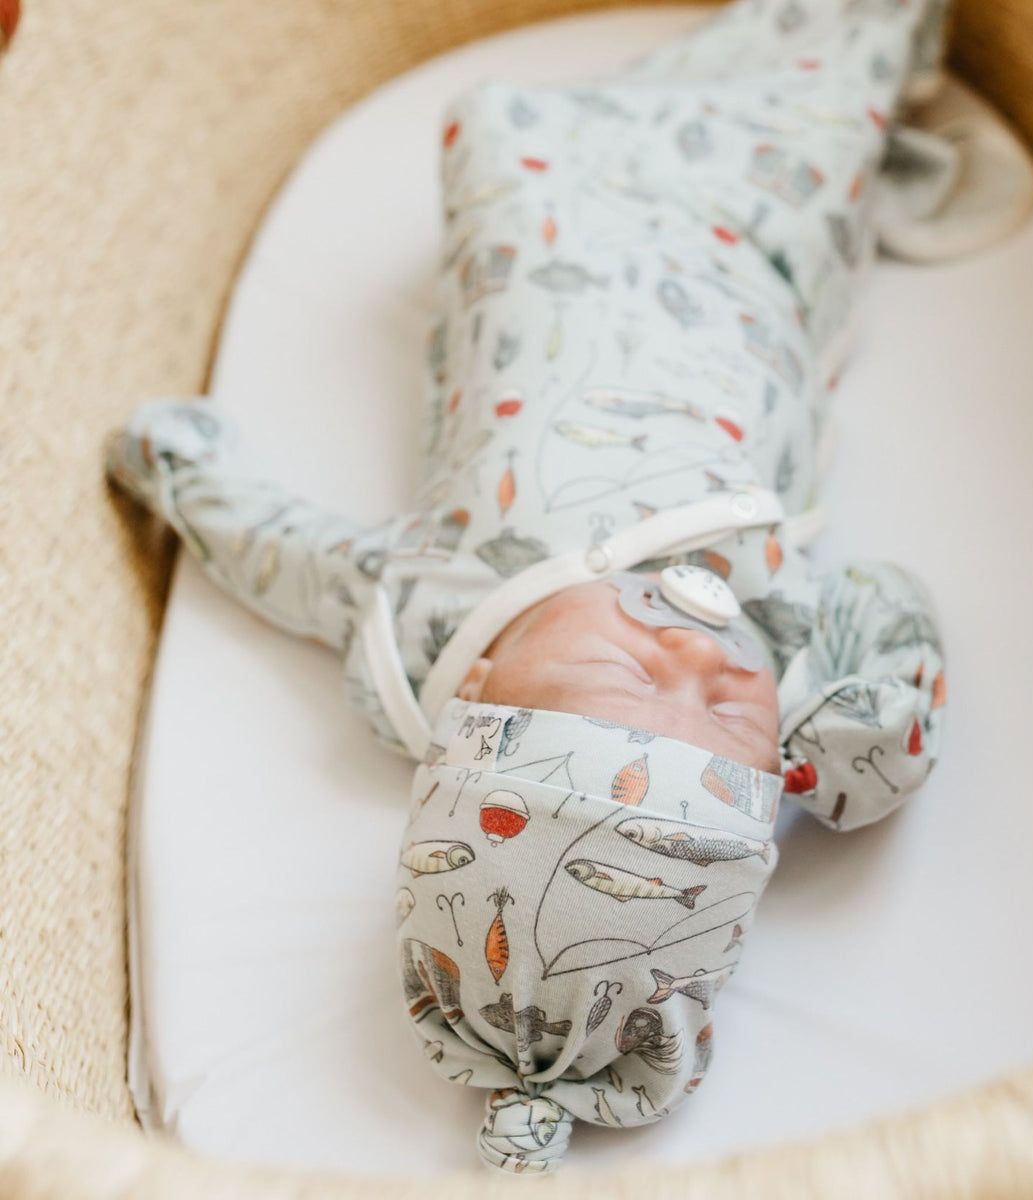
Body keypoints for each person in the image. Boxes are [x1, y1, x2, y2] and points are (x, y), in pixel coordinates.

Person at [105, 0, 949, 1172]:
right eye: (730, 723)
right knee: (817, 117)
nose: (702, 657)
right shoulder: (789, 648)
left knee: (498, 135)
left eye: (632, 669)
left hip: (555, 242)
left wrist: (180, 472)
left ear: (483, 699)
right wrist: (860, 745)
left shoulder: (427, 621)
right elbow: (885, 599)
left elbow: (278, 551)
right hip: (740, 279)